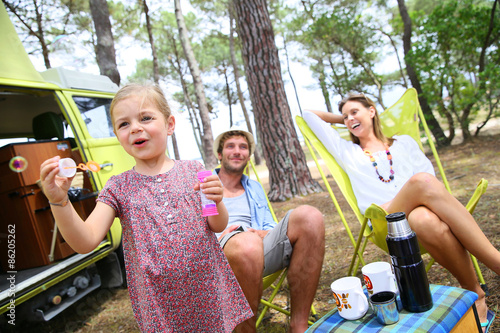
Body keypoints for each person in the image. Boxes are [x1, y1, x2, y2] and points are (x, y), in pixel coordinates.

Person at [39, 83, 253, 332]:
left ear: (169, 124)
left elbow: (216, 224)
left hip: (207, 289)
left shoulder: (196, 171)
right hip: (159, 301)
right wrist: (58, 201)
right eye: (124, 124)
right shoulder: (118, 187)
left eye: (146, 118)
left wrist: (217, 201)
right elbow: (85, 240)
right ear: (118, 136)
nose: (135, 128)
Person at [303, 93, 499, 332]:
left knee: (423, 218)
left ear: (372, 111)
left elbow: (431, 180)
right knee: (421, 182)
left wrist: (355, 114)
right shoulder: (346, 151)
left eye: (355, 111)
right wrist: (346, 117)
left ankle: (476, 294)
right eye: (345, 116)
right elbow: (309, 115)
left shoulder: (404, 142)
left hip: (419, 213)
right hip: (385, 220)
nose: (349, 119)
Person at [213, 128, 325, 333]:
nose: (237, 151)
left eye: (243, 147)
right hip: (221, 254)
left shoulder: (254, 187)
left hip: (259, 248)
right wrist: (219, 235)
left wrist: (264, 233)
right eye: (230, 146)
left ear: (248, 155)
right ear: (219, 155)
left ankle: (299, 326)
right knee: (247, 243)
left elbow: (268, 225)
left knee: (310, 217)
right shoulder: (206, 186)